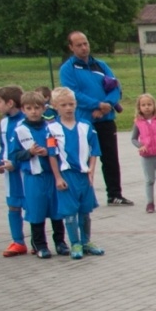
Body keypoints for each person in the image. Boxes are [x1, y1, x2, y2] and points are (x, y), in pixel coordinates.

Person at [58, 31, 132, 206]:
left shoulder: (101, 65)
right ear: (71, 47)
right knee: (82, 159)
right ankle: (82, 195)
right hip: (84, 121)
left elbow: (114, 87)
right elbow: (73, 93)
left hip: (105, 119)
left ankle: (114, 194)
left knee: (111, 159)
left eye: (86, 43)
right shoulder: (68, 69)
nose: (84, 48)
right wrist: (96, 105)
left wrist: (107, 105)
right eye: (79, 45)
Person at [50, 88, 103, 258]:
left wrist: (91, 170)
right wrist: (58, 177)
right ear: (55, 106)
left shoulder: (85, 126)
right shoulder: (52, 129)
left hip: (83, 174)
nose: (68, 108)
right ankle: (75, 243)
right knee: (70, 212)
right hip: (67, 175)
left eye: (71, 104)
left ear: (76, 104)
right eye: (63, 105)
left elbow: (95, 150)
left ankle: (86, 242)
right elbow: (52, 155)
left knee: (85, 211)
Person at [12, 91, 62, 257]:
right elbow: (15, 155)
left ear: (43, 108)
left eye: (37, 108)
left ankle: (60, 242)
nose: (33, 111)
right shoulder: (20, 130)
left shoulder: (51, 127)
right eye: (29, 108)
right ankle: (40, 245)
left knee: (56, 209)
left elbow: (59, 148)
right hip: (33, 177)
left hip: (51, 174)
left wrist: (48, 152)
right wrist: (30, 152)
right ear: (23, 109)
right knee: (36, 210)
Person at [0, 85, 27, 255]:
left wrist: (15, 163)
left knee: (31, 206)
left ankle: (38, 241)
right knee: (13, 206)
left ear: (10, 103)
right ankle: (18, 242)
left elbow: (28, 149)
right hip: (10, 174)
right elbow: (4, 146)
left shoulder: (26, 122)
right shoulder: (3, 122)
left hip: (25, 172)